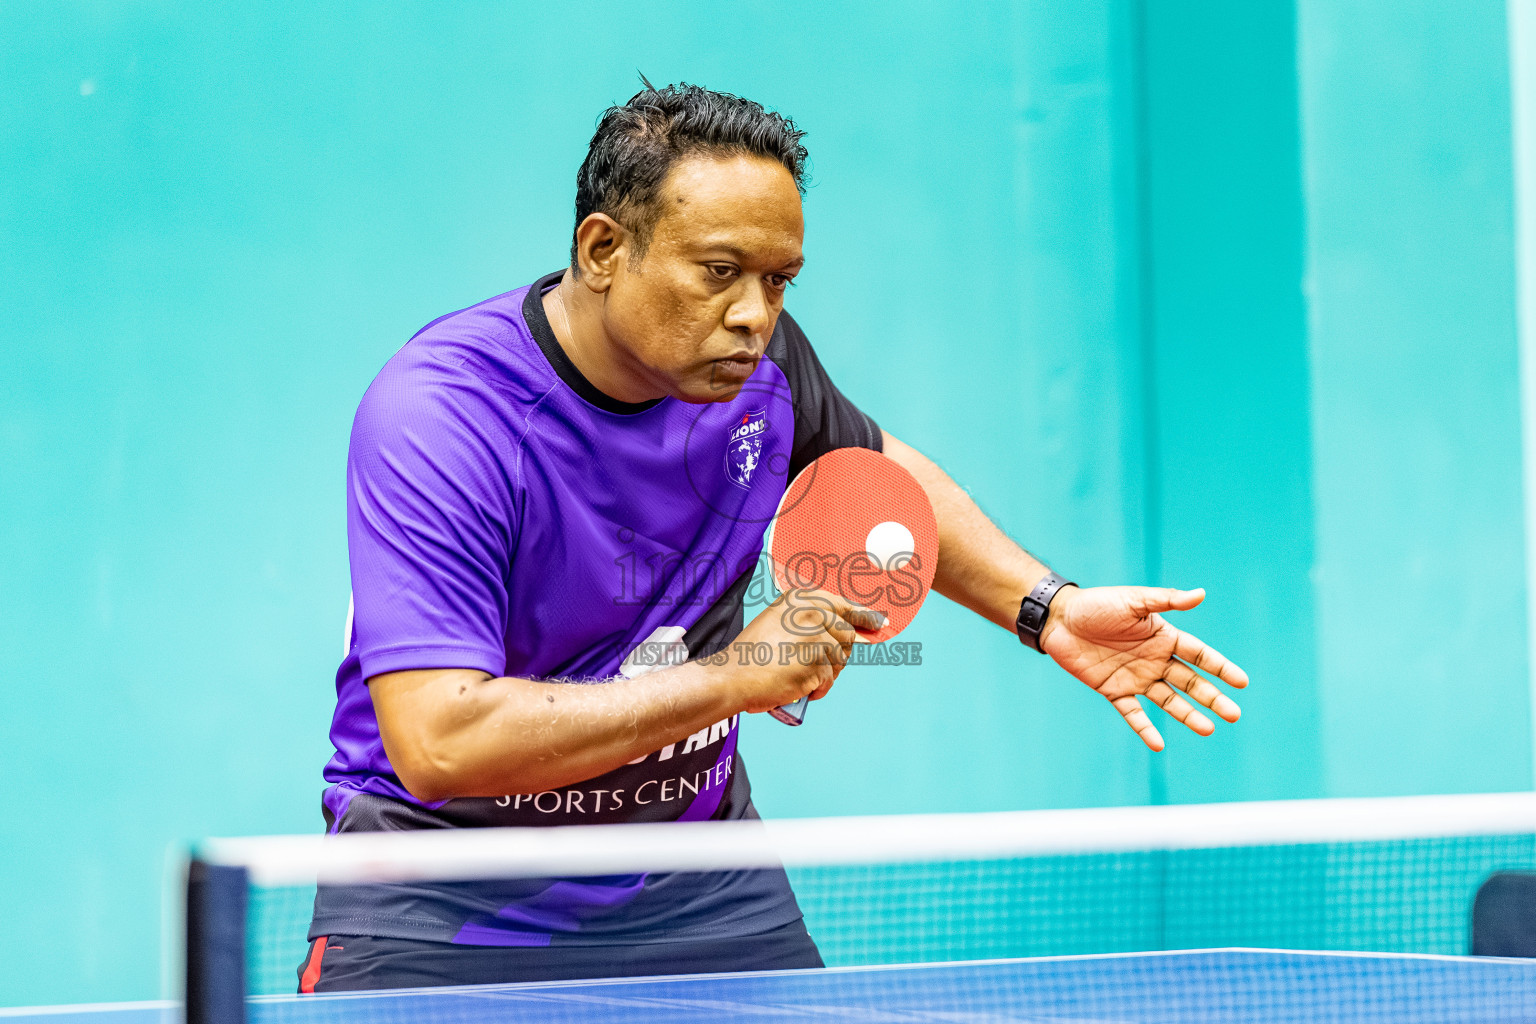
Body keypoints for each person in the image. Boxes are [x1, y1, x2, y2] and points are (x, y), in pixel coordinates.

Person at [297, 82, 1249, 993]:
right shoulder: (446, 416)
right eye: (720, 273)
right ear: (602, 249)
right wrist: (733, 677)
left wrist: (1048, 608)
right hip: (450, 902)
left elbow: (878, 467)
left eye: (778, 280)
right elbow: (441, 741)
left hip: (696, 887)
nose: (755, 315)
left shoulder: (759, 370)